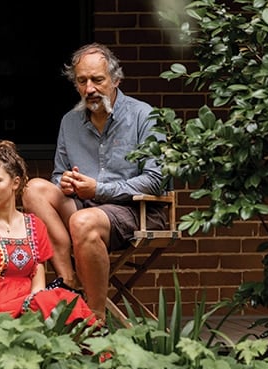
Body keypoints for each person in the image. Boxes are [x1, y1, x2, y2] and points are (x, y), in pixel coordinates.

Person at [21, 43, 167, 322]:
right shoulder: (70, 121)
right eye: (82, 81)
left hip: (136, 210)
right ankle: (68, 280)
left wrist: (99, 190)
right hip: (84, 207)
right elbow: (57, 175)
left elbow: (156, 180)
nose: (89, 89)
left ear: (115, 80)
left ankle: (95, 317)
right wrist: (64, 182)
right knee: (33, 190)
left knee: (83, 221)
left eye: (97, 80)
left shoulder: (143, 116)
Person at [0, 140, 98, 327]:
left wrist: (32, 310)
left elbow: (38, 286)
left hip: (28, 307)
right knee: (57, 301)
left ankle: (96, 346)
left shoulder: (35, 225)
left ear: (15, 183)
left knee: (67, 301)